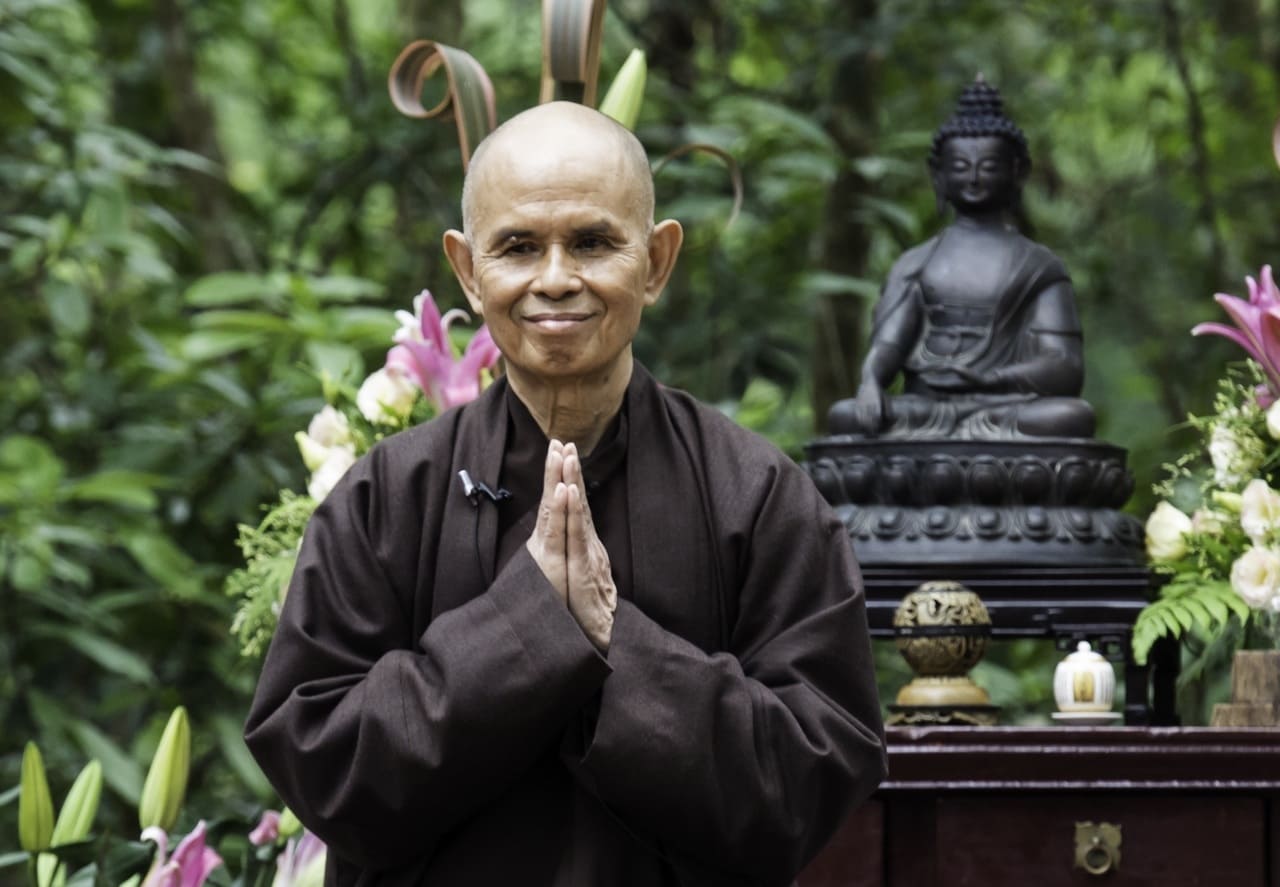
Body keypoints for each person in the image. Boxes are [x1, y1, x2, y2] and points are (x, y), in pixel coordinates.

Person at [245, 101, 886, 887]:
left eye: (591, 242)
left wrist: (617, 641)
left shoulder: (756, 498)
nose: (554, 279)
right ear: (467, 271)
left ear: (655, 262)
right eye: (517, 246)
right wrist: (526, 627)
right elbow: (322, 766)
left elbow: (809, 782)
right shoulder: (384, 498)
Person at [827, 77, 1096, 440]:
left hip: (1003, 409)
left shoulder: (1040, 267)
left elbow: (1064, 366)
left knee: (1070, 417)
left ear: (1018, 173)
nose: (972, 177)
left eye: (987, 166)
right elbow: (890, 344)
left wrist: (991, 379)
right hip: (925, 409)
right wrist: (871, 382)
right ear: (938, 175)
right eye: (959, 167)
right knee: (845, 416)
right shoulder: (916, 263)